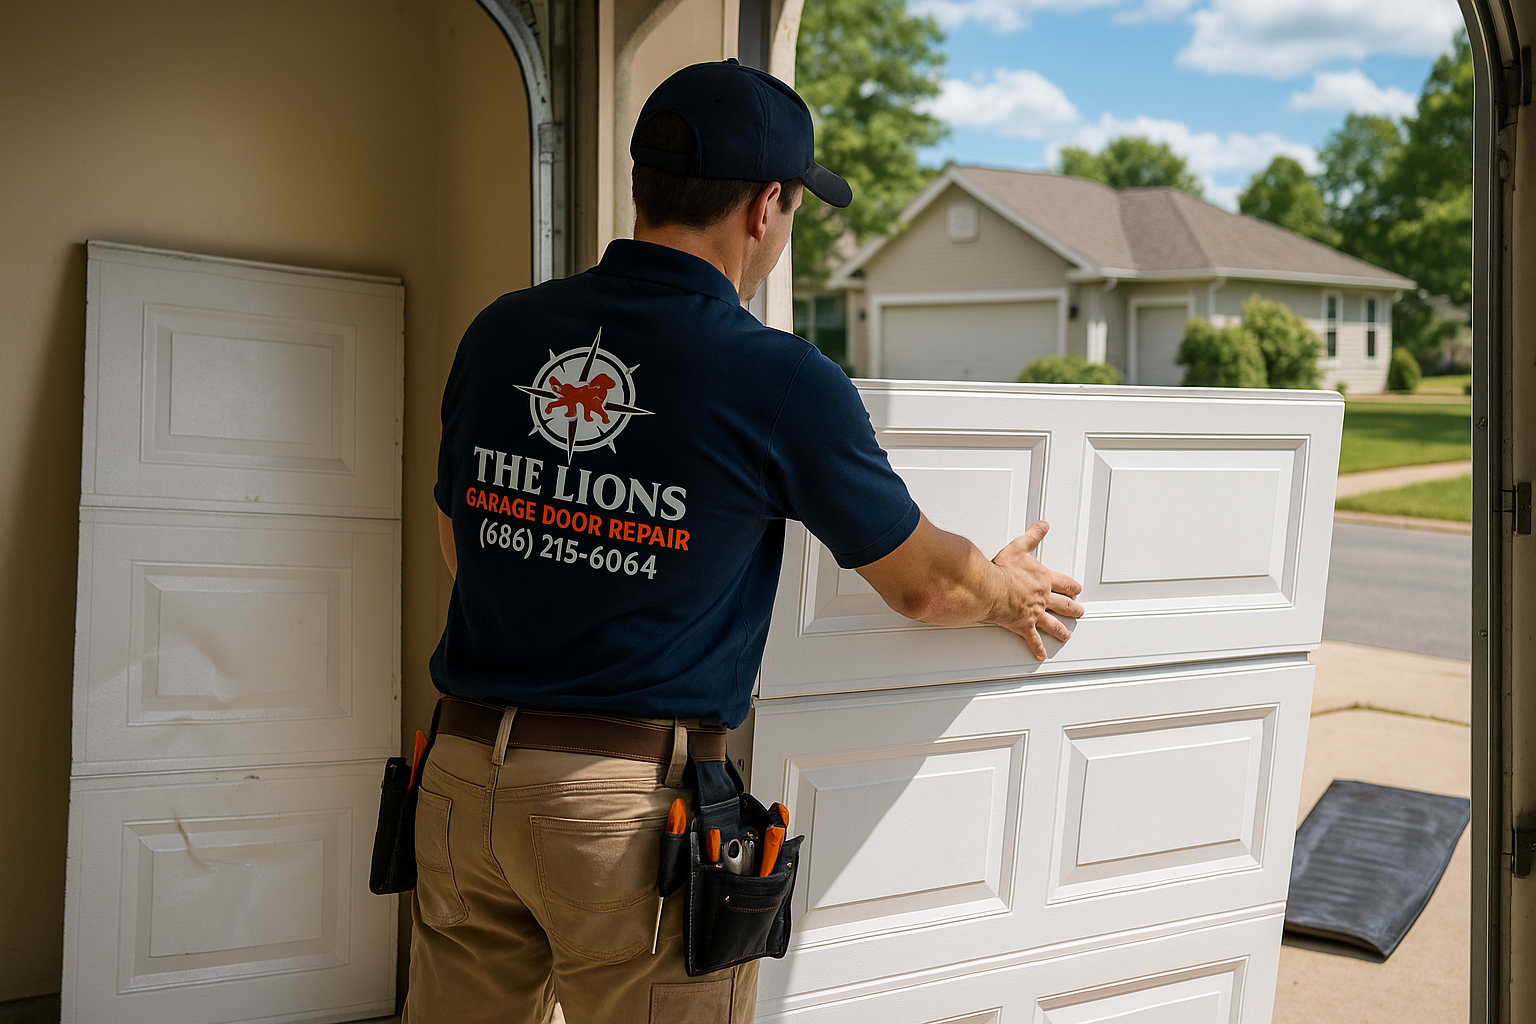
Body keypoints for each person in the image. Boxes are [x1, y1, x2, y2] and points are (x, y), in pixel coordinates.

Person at [405, 58, 1084, 1024]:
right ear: (766, 205)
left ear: (647, 186)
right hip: (620, 818)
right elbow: (926, 586)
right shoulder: (776, 379)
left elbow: (460, 540)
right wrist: (1010, 592)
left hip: (461, 778)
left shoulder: (503, 334)